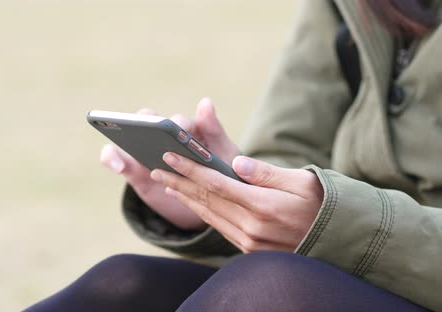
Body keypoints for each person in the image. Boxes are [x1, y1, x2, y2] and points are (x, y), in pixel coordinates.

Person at [26, 0, 441, 311]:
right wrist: (223, 198)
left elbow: (330, 222)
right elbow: (288, 149)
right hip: (356, 274)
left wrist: (336, 222)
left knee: (268, 288)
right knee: (122, 284)